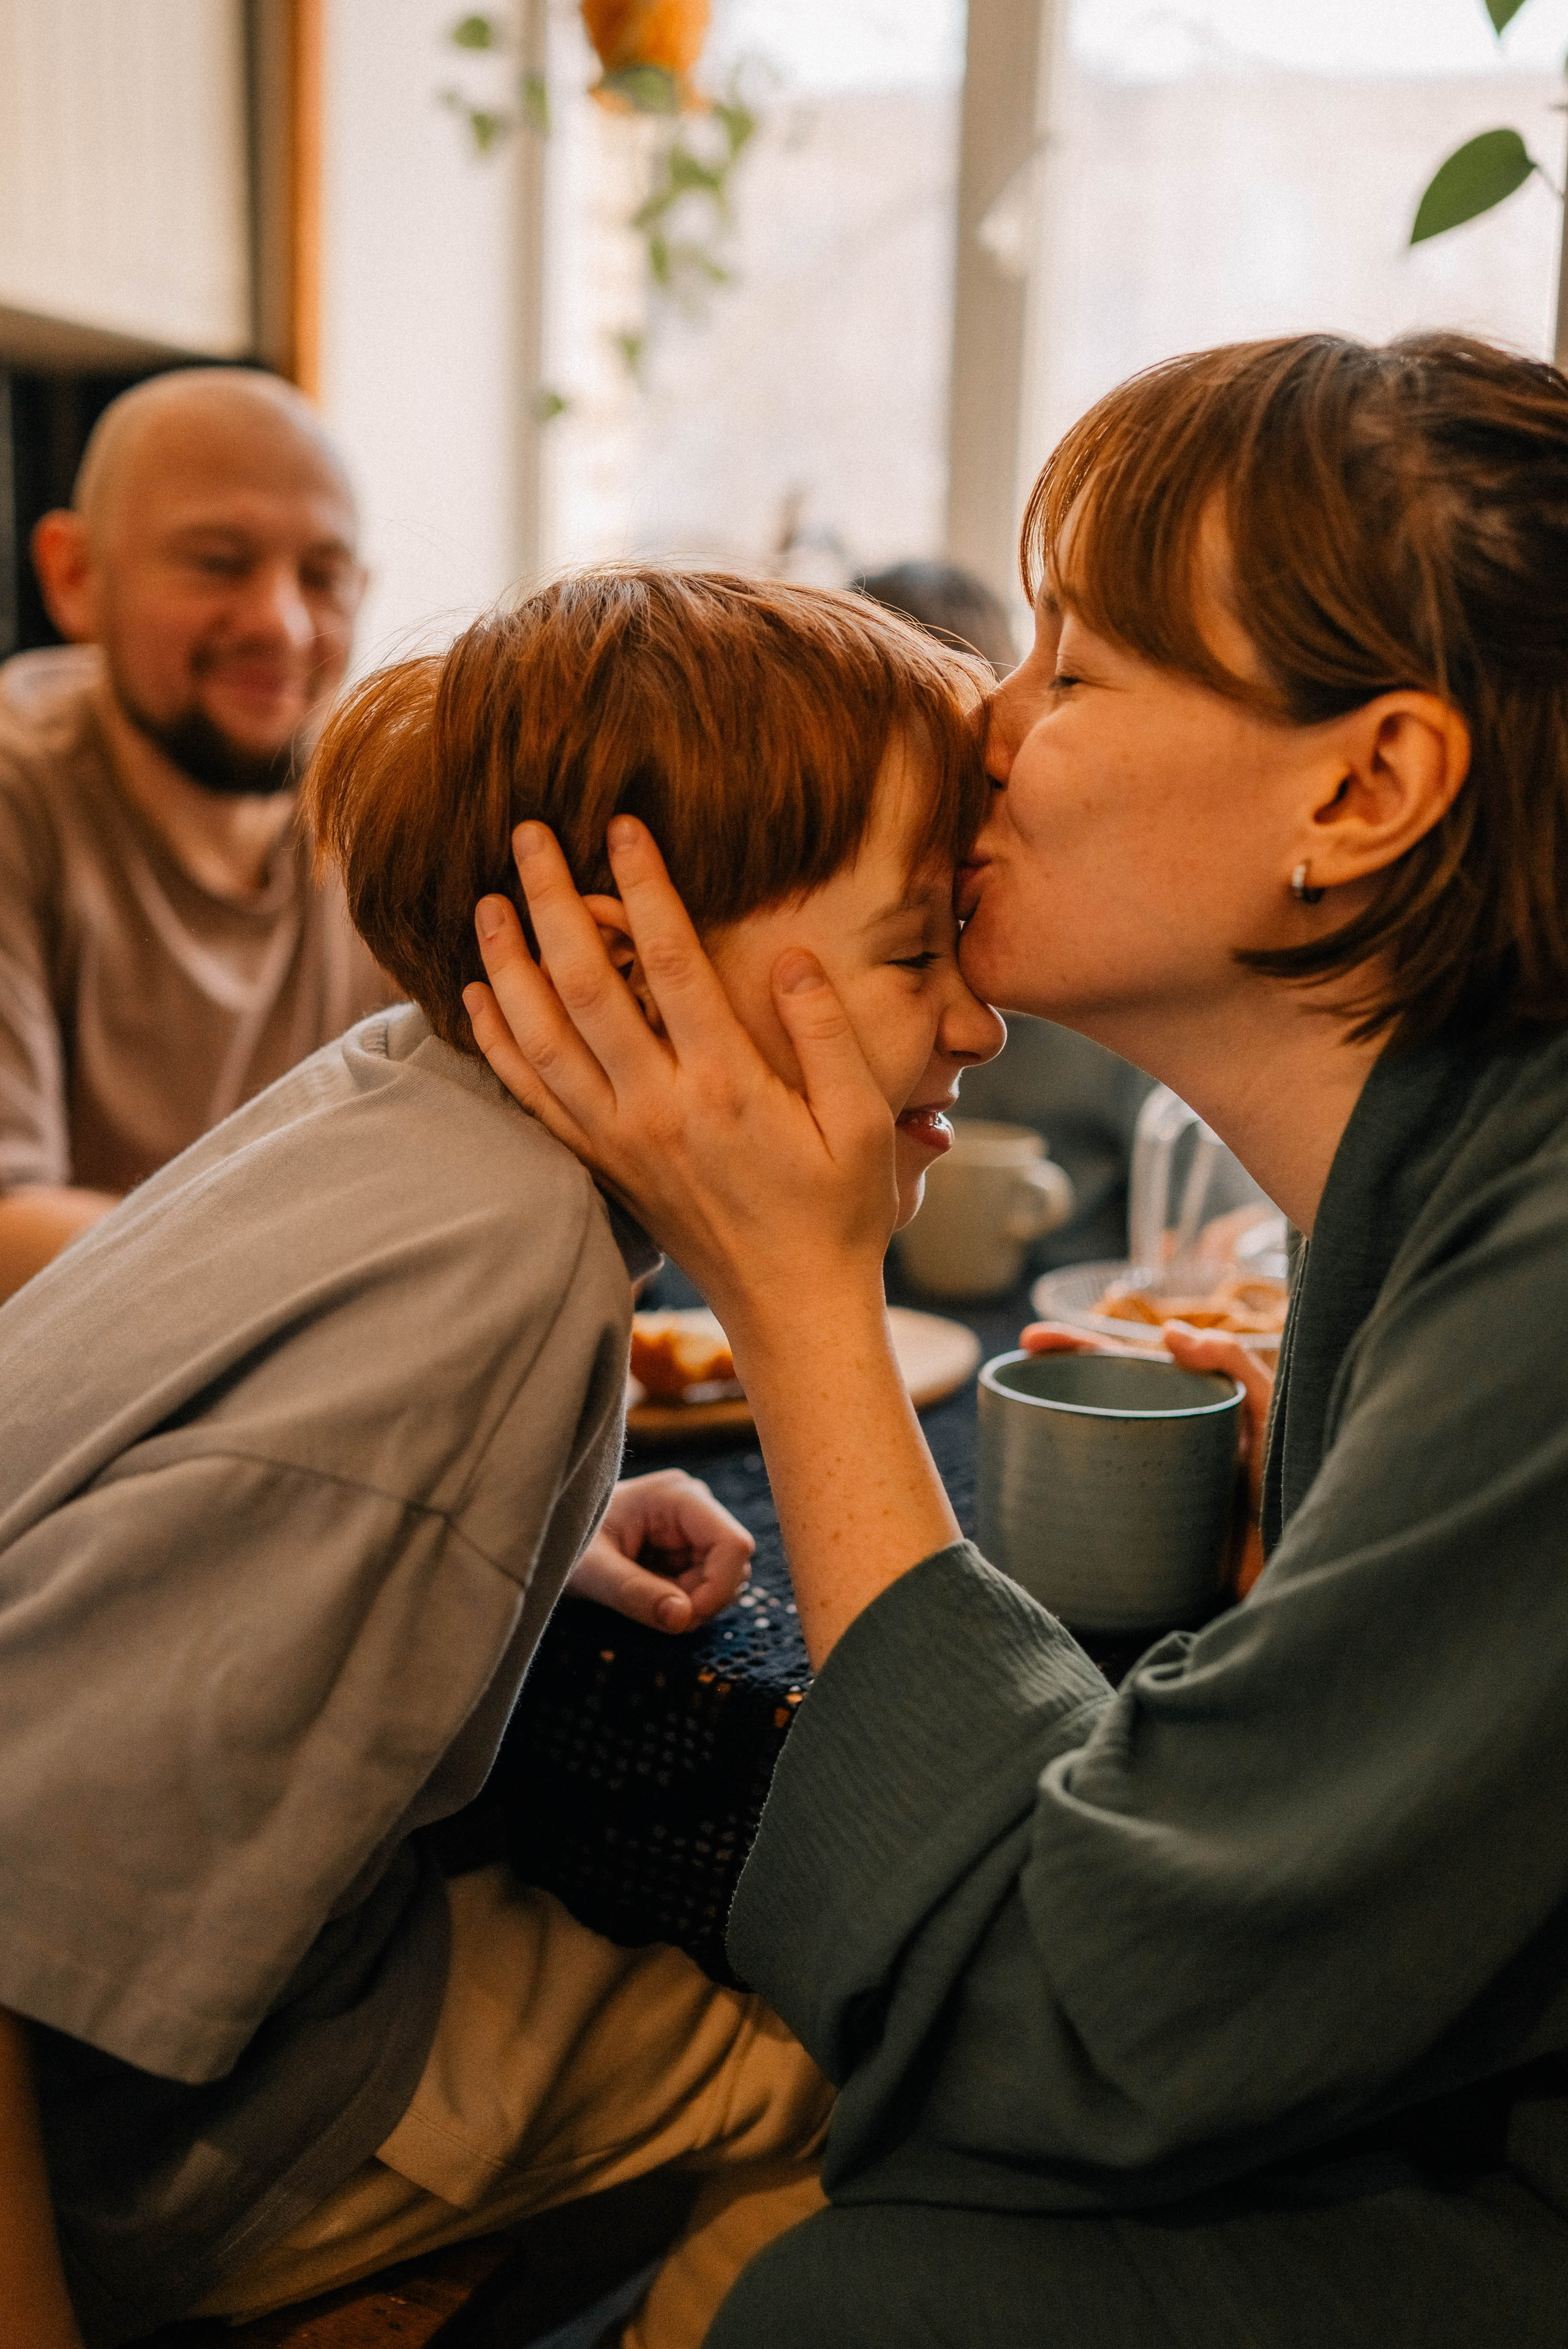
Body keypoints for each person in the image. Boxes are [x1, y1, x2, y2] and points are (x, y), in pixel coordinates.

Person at [465, 331, 1568, 2345]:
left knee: (852, 2300)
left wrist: (795, 1276)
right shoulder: (1436, 1191)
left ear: (1367, 783)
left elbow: (1078, 2020)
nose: (983, 719)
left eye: (1076, 662)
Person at [0, 565, 1003, 2349]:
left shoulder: (398, 1086)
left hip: (223, 2025)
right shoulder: (505, 1278)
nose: (977, 1021)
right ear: (629, 967)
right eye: (918, 949)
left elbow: (227, 1468)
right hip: (146, 2148)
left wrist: (518, 1524)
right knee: (890, 2048)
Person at [0, 367, 394, 1305]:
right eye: (218, 562)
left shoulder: (382, 821)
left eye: (325, 578)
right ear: (74, 575)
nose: (282, 623)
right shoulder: (20, 798)